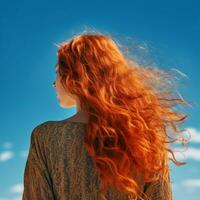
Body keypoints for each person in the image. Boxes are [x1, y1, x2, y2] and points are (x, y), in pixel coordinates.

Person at [22, 32, 190, 200]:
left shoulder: (45, 137)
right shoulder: (147, 141)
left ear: (75, 75)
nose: (54, 83)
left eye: (58, 72)